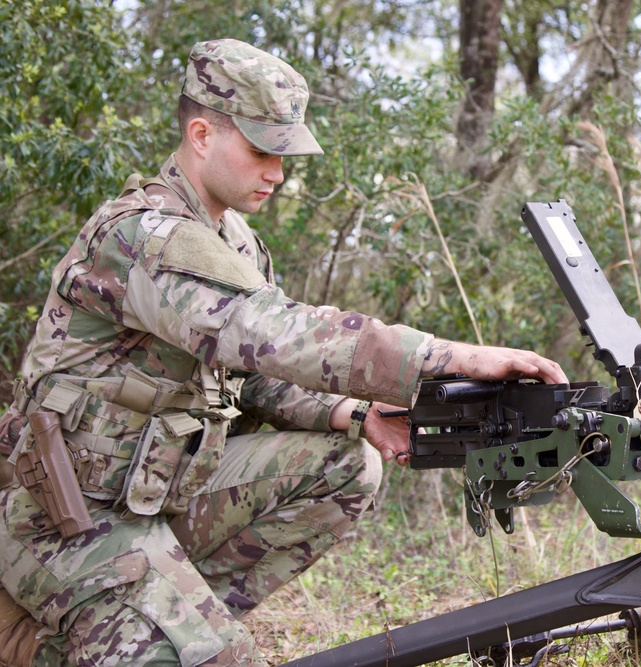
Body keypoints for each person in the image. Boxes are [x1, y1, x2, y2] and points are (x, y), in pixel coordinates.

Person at [0, 38, 567, 666]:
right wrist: (447, 357)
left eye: (284, 154)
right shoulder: (143, 237)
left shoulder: (236, 243)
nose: (277, 172)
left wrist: (357, 416)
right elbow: (275, 332)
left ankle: (152, 623)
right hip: (67, 517)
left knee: (351, 465)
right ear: (200, 134)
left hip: (163, 492)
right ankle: (88, 635)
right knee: (220, 659)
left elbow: (254, 374)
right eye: (262, 151)